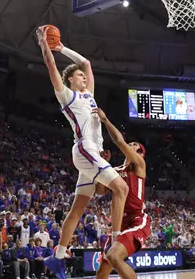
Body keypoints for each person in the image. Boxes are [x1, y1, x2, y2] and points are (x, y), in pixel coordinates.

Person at [36, 26, 129, 279]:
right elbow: (51, 66)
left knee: (77, 210)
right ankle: (116, 241)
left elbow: (86, 62)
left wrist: (62, 47)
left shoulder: (89, 95)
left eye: (84, 76)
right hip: (85, 149)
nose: (84, 77)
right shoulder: (66, 96)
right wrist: (46, 45)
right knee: (122, 189)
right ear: (70, 80)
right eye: (79, 76)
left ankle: (57, 256)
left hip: (91, 154)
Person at [95, 108, 150, 279]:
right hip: (120, 221)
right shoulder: (116, 170)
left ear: (140, 154)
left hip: (136, 219)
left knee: (113, 256)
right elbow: (99, 191)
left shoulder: (139, 164)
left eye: (135, 146)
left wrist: (105, 120)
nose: (131, 146)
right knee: (103, 269)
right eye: (131, 144)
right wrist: (103, 165)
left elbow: (119, 141)